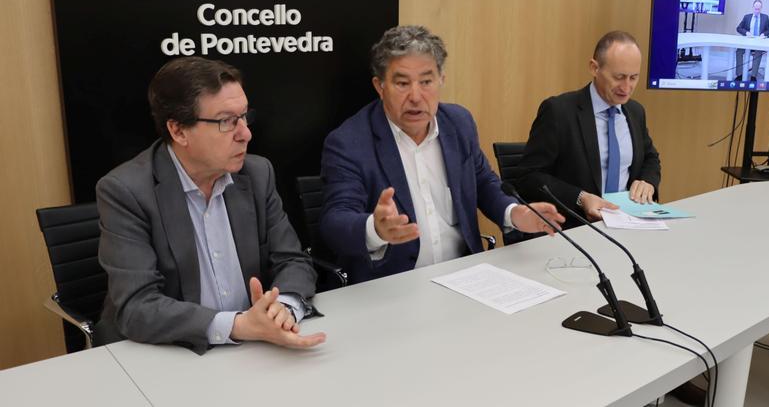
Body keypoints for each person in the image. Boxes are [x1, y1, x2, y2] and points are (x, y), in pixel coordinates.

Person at [95, 57, 326, 353]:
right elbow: (138, 306)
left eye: (244, 116)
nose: (246, 133)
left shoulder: (257, 174)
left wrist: (283, 308)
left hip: (254, 350)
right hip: (167, 353)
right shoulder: (126, 191)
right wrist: (238, 326)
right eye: (227, 121)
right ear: (178, 131)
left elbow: (292, 260)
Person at [319, 25, 564, 284]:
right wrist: (375, 229)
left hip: (464, 277)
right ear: (380, 86)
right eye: (402, 83)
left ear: (441, 80)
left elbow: (483, 183)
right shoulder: (349, 142)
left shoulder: (458, 123)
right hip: (393, 285)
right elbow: (335, 220)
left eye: (426, 81)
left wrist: (514, 213)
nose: (415, 96)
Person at [516, 30, 660, 223]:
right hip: (576, 226)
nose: (626, 88)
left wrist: (648, 181)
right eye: (619, 77)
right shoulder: (559, 111)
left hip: (629, 220)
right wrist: (580, 197)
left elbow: (650, 157)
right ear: (594, 68)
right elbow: (528, 177)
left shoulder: (635, 111)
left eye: (633, 78)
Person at [734, 0, 769, 81]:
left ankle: (753, 76)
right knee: (739, 51)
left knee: (758, 52)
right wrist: (746, 32)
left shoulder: (765, 17)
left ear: (761, 8)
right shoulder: (747, 17)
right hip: (747, 41)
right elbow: (738, 28)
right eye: (755, 8)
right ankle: (739, 74)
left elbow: (768, 30)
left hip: (759, 42)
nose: (757, 11)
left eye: (758, 9)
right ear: (753, 7)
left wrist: (764, 34)